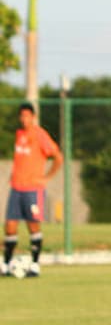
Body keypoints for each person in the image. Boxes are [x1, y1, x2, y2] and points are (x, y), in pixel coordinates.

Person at [2, 102, 63, 278]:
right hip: (16, 187)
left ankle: (35, 265)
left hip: (33, 189)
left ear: (33, 117)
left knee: (33, 225)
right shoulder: (19, 134)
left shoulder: (40, 135)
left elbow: (58, 157)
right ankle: (6, 265)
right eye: (21, 116)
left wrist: (47, 177)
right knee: (10, 226)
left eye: (27, 116)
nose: (24, 119)